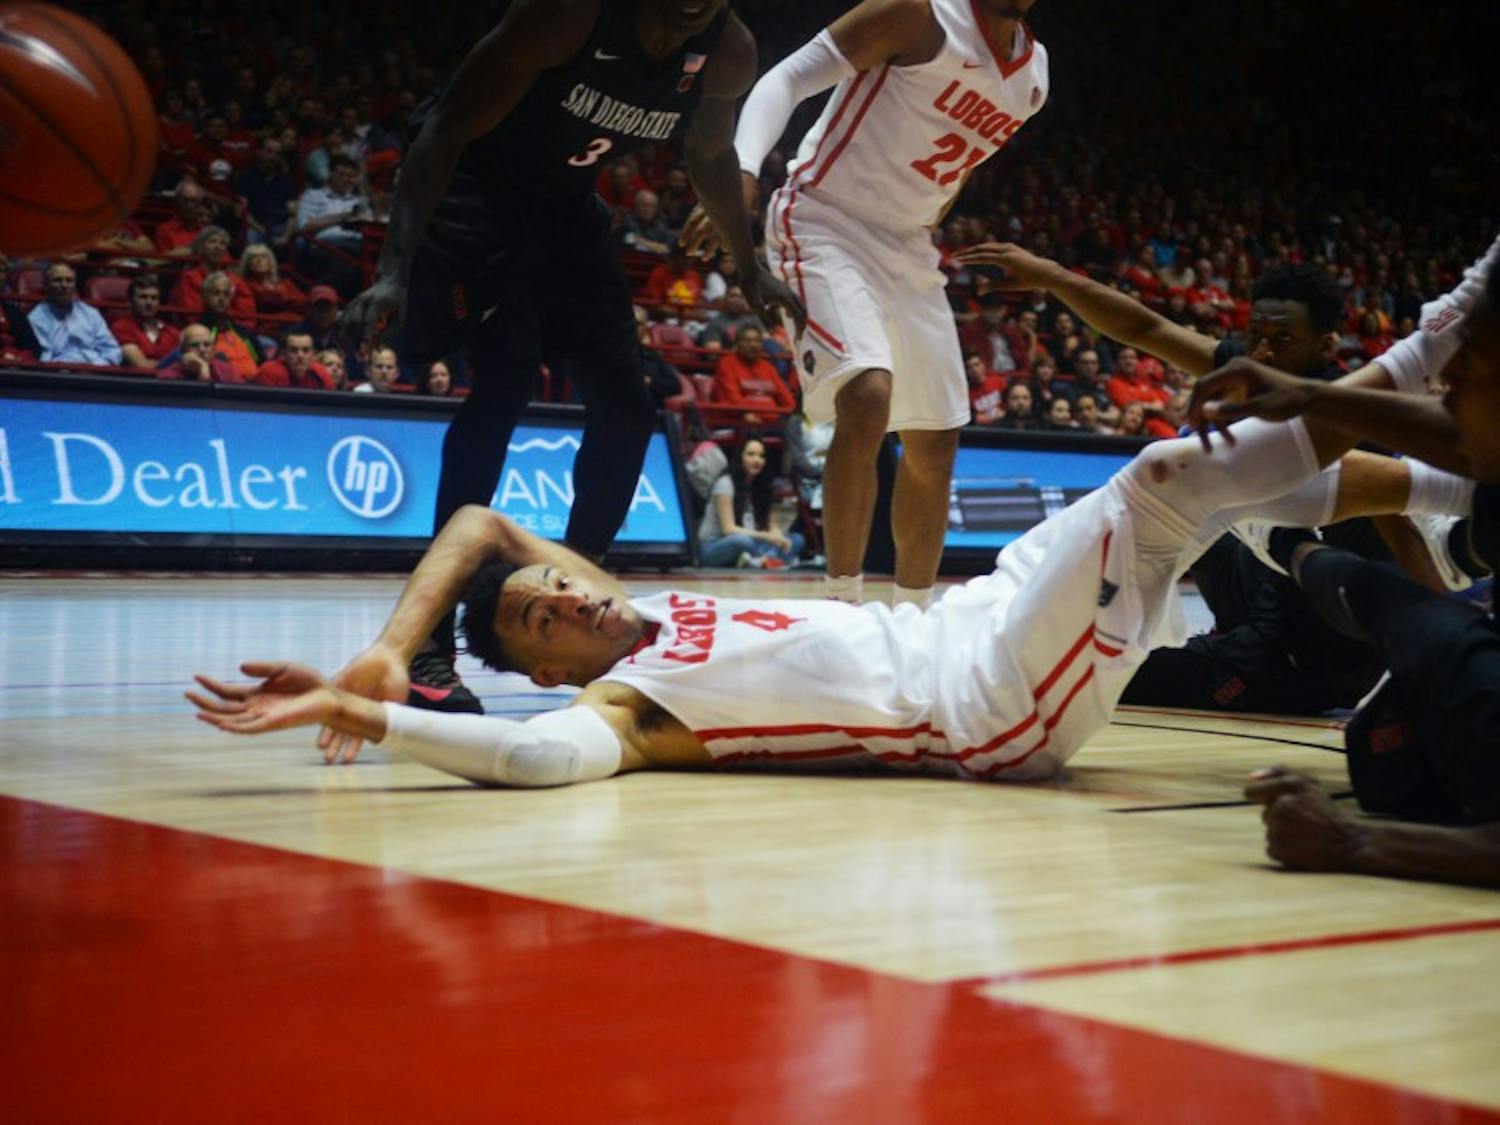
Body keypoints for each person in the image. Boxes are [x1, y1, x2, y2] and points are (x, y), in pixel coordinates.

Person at [193, 391, 1399, 792]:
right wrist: (364, 714)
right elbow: (526, 765)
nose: (563, 600)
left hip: (979, 614)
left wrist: (390, 646)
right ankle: (1461, 473)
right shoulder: (624, 709)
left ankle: (1455, 485)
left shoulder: (619, 602)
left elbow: (474, 523)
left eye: (552, 585)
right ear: (555, 674)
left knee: (1210, 483)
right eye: (540, 623)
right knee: (1167, 483)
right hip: (991, 705)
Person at [336, 0, 799, 715]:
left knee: (628, 406)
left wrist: (748, 263)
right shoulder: (569, 17)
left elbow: (708, 154)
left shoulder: (728, 48)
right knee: (507, 381)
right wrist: (394, 270)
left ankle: (585, 591)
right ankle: (428, 641)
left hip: (565, 210)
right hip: (474, 195)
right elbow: (447, 126)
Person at [959, 241, 1470, 718]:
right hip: (1269, 587)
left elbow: (1401, 540)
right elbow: (1147, 331)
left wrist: (1442, 661)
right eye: (1257, 338)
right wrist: (1052, 278)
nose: (1265, 354)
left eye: (1284, 341)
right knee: (1186, 492)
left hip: (1313, 651)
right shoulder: (1253, 372)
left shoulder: (1347, 416)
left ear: (1327, 345)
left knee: (1106, 680)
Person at [723, 0, 1051, 610]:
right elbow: (786, 78)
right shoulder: (919, 13)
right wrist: (741, 170)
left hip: (907, 245)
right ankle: (842, 611)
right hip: (823, 216)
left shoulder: (1034, 81)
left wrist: (924, 217)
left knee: (935, 438)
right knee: (868, 392)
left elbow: (954, 168)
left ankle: (914, 622)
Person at [696, 437, 804, 567]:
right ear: (740, 457)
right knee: (742, 542)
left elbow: (771, 525)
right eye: (751, 454)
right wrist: (766, 536)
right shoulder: (725, 484)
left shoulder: (760, 487)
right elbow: (728, 529)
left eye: (761, 456)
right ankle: (769, 559)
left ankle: (760, 560)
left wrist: (779, 537)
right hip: (716, 545)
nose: (757, 460)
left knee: (797, 539)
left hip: (753, 542)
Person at [27, 263, 122, 366]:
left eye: (69, 280)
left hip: (96, 372)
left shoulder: (90, 313)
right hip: (60, 375)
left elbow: (113, 351)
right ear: (46, 285)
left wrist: (97, 367)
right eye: (57, 280)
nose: (64, 285)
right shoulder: (35, 319)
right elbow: (43, 359)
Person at [170, 227, 258, 321]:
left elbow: (247, 312)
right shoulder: (189, 277)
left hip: (231, 329)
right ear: (201, 247)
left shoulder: (235, 280)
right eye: (212, 241)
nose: (218, 246)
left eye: (222, 243)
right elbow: (191, 312)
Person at [711, 325, 795, 417]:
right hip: (741, 421)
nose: (752, 345)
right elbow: (732, 398)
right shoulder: (727, 363)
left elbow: (783, 394)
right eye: (747, 341)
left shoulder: (767, 366)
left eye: (756, 341)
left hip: (773, 419)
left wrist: (795, 412)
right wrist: (747, 414)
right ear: (738, 344)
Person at [110, 274, 181, 370]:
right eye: (143, 297)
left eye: (154, 298)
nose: (149, 302)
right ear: (130, 302)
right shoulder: (121, 328)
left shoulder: (172, 331)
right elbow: (141, 365)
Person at [250, 330, 337, 389]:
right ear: (283, 355)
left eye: (305, 350)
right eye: (294, 350)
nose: (300, 355)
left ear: (313, 355)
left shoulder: (321, 374)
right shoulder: (269, 372)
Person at [157, 322, 241, 383]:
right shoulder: (168, 377)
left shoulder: (228, 371)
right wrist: (203, 370)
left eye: (207, 344)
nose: (202, 349)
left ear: (213, 348)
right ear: (183, 350)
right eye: (194, 345)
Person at [240, 244, 307, 316]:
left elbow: (303, 301)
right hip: (270, 322)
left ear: (270, 262)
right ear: (248, 264)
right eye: (253, 257)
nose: (259, 260)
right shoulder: (247, 285)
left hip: (294, 319)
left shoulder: (285, 282)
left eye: (263, 257)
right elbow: (269, 301)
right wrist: (288, 299)